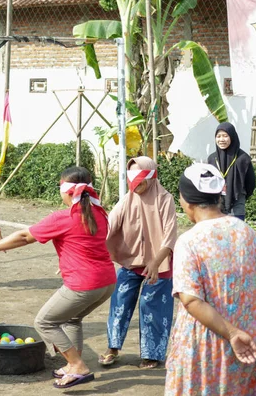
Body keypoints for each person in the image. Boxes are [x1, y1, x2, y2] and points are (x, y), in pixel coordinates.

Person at [0, 167, 116, 389]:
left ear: (66, 191)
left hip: (84, 284)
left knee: (44, 321)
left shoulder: (64, 217)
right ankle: (73, 364)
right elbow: (86, 245)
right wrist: (67, 264)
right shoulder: (99, 213)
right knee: (72, 319)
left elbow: (25, 237)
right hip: (107, 282)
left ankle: (77, 366)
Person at [165, 163, 256, 395]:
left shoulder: (189, 241)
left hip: (205, 346)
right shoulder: (245, 231)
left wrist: (231, 332)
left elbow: (191, 300)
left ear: (186, 200)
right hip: (247, 341)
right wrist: (250, 323)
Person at [100, 156, 178, 369]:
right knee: (120, 299)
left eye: (139, 179)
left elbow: (170, 236)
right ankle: (113, 347)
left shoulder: (164, 198)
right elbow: (108, 226)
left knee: (151, 304)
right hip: (131, 259)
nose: (135, 185)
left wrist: (155, 261)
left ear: (151, 177)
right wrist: (86, 254)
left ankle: (152, 354)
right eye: (131, 179)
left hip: (159, 263)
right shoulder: (127, 198)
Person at [207, 122, 256, 220]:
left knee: (236, 232)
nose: (221, 139)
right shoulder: (212, 159)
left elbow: (250, 183)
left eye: (225, 136)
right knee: (218, 231)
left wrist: (239, 194)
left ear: (232, 137)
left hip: (237, 201)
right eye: (218, 136)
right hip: (216, 202)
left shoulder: (243, 158)